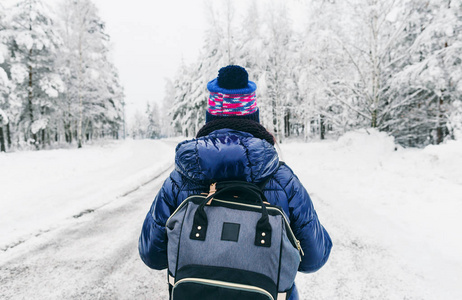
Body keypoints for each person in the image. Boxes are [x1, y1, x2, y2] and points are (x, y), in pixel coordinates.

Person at [139, 65, 332, 299]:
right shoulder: (283, 180)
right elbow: (314, 258)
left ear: (211, 117)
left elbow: (152, 255)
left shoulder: (179, 181)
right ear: (253, 117)